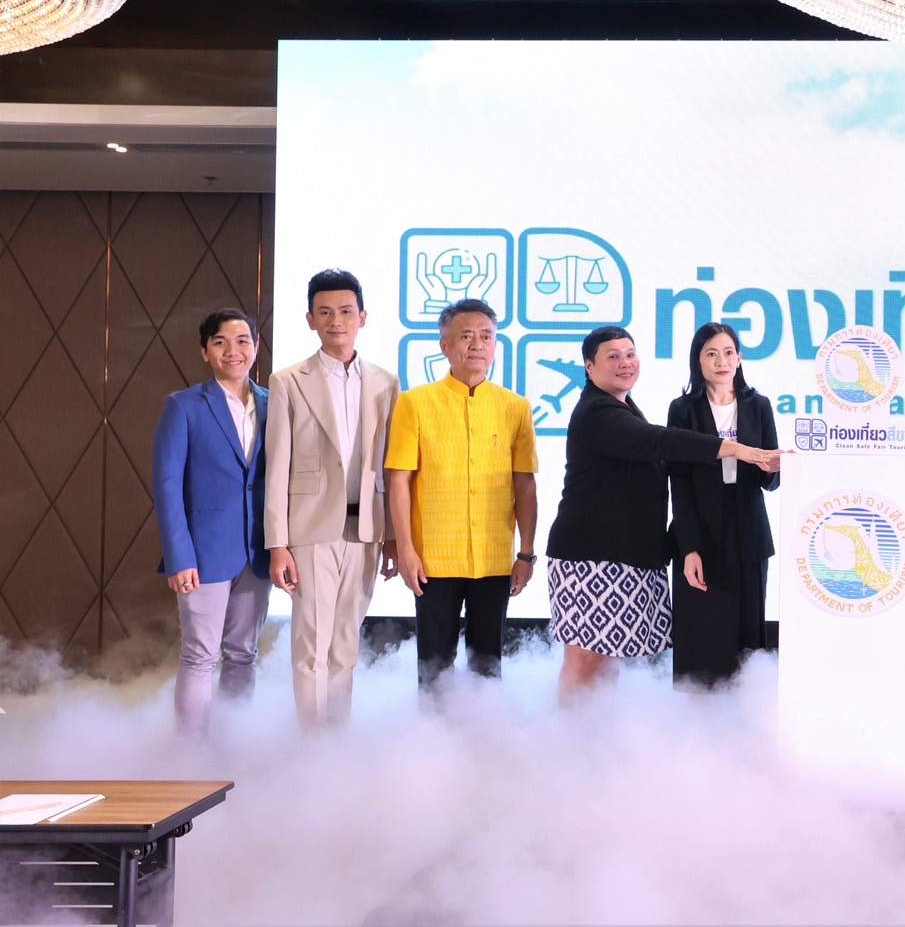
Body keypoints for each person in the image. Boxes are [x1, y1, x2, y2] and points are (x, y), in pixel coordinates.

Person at [546, 325, 779, 701]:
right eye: (613, 357)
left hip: (618, 553)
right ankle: (570, 733)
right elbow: (659, 441)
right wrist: (736, 449)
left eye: (630, 354)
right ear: (589, 367)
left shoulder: (624, 405)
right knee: (587, 658)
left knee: (607, 657)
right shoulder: (597, 410)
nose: (625, 363)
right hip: (589, 553)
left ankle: (593, 732)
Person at [264, 269, 400, 727]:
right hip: (310, 529)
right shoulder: (288, 381)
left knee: (346, 644)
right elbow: (277, 466)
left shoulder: (386, 382)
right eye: (325, 312)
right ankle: (311, 744)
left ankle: (336, 741)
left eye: (345, 311)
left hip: (367, 529)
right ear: (310, 319)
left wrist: (393, 535)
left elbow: (389, 465)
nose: (335, 320)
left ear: (362, 317)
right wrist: (277, 543)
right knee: (311, 646)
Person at [384, 298, 538, 689]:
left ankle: (483, 727)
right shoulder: (415, 403)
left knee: (488, 662)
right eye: (466, 336)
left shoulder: (515, 407)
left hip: (493, 556)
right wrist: (406, 549)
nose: (477, 345)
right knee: (434, 663)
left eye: (486, 336)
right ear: (444, 345)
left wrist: (526, 553)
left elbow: (525, 483)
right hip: (433, 558)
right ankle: (433, 729)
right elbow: (398, 480)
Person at [151, 307, 270, 736]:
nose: (233, 350)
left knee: (243, 655)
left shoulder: (275, 404)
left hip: (259, 550)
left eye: (242, 341)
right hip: (202, 554)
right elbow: (166, 484)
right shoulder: (183, 405)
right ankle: (191, 757)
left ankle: (230, 748)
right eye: (220, 342)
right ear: (205, 352)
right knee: (200, 656)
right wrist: (179, 556)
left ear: (255, 346)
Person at [666, 322, 780, 687]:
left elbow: (770, 480)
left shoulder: (758, 405)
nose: (721, 362)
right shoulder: (683, 409)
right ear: (697, 361)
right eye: (711, 354)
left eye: (729, 353)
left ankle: (745, 708)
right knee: (702, 632)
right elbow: (679, 483)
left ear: (740, 358)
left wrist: (773, 468)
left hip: (748, 527)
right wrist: (689, 547)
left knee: (747, 632)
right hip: (700, 527)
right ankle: (699, 712)